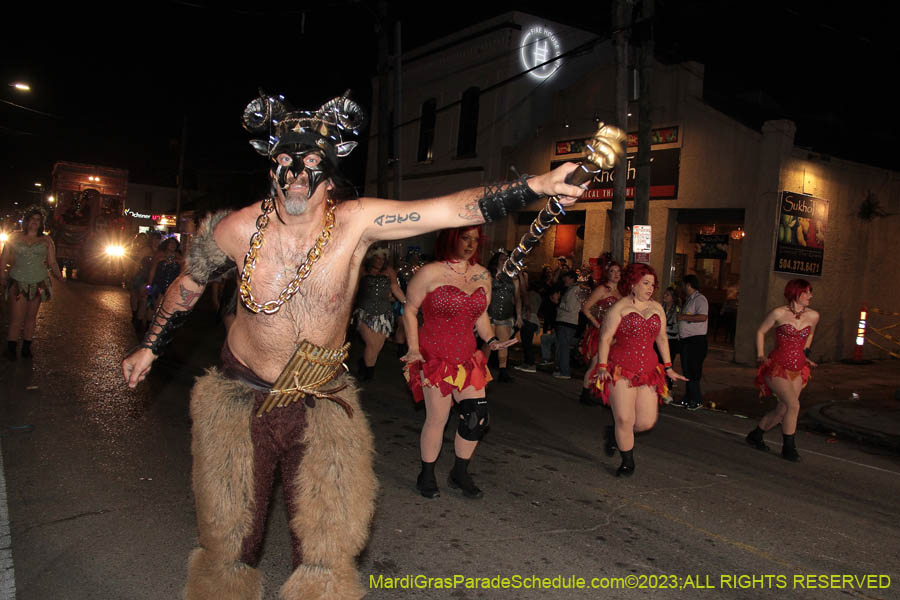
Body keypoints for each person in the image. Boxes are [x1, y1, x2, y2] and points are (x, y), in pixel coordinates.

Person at [120, 90, 588, 599]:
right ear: (271, 166)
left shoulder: (356, 222)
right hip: (240, 396)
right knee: (230, 542)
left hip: (322, 400)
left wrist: (538, 185)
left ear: (329, 170)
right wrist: (150, 346)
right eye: (285, 161)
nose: (297, 174)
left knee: (327, 551)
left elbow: (447, 210)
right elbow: (188, 284)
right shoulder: (236, 230)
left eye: (311, 163)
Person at [401, 226, 516, 500]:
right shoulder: (430, 272)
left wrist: (490, 340)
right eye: (465, 238)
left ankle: (459, 472)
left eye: (476, 239)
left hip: (466, 357)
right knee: (438, 418)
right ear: (452, 239)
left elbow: (481, 316)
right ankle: (426, 474)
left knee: (477, 417)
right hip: (434, 355)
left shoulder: (481, 275)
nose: (471, 244)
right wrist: (414, 348)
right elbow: (410, 308)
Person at [593, 263, 687, 476]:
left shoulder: (657, 308)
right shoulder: (619, 307)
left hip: (648, 371)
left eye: (652, 284)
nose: (650, 288)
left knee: (645, 422)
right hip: (621, 368)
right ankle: (627, 462)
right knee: (625, 419)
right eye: (645, 283)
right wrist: (601, 366)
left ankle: (614, 434)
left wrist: (669, 367)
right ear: (633, 284)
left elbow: (662, 338)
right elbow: (606, 338)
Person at [746, 279, 819, 462]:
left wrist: (806, 355)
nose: (810, 296)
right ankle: (789, 448)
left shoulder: (813, 316)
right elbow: (761, 331)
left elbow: (809, 334)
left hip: (798, 368)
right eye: (807, 292)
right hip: (778, 367)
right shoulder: (779, 313)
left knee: (783, 410)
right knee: (793, 405)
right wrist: (761, 354)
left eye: (810, 292)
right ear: (796, 293)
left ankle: (756, 435)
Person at [0, 206, 63, 360]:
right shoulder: (14, 237)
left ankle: (27, 347)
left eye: (38, 220)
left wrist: (60, 277)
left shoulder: (46, 240)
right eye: (32, 219)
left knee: (31, 317)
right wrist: (2, 276)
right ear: (26, 221)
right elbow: (4, 259)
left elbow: (52, 262)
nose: (34, 222)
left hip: (38, 282)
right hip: (18, 282)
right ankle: (11, 347)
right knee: (16, 317)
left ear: (42, 223)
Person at [353, 246, 405, 380]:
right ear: (371, 258)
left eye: (383, 259)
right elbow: (354, 289)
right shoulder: (362, 271)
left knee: (377, 347)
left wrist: (407, 302)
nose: (380, 261)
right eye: (377, 258)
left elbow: (395, 288)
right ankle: (368, 374)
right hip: (364, 312)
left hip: (384, 314)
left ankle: (364, 365)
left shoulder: (389, 271)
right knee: (372, 344)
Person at [578, 260, 621, 405]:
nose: (616, 274)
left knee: (611, 364)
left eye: (618, 271)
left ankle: (604, 394)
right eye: (612, 271)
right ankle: (585, 393)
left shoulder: (621, 292)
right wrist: (598, 325)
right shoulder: (602, 289)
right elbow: (586, 308)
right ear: (607, 274)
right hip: (602, 332)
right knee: (597, 362)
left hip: (616, 333)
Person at [483, 249, 521, 382]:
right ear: (496, 261)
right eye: (502, 259)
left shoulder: (513, 278)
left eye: (507, 259)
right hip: (490, 314)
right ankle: (482, 370)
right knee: (489, 343)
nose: (504, 261)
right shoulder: (489, 275)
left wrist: (519, 316)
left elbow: (517, 298)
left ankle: (503, 371)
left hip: (505, 314)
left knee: (504, 344)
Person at [674, 274, 708, 410]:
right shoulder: (689, 299)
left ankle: (696, 399)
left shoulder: (700, 299)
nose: (682, 287)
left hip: (696, 341)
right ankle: (688, 398)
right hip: (686, 341)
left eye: (683, 284)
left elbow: (703, 316)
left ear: (688, 285)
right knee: (687, 370)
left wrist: (683, 317)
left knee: (693, 371)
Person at [552, 270, 581, 379]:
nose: (564, 280)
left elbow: (571, 307)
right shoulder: (571, 289)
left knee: (564, 348)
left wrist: (558, 302)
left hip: (568, 322)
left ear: (572, 279)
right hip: (566, 321)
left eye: (566, 278)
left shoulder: (574, 290)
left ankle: (565, 371)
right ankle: (561, 369)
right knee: (561, 347)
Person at [147, 237, 184, 312]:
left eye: (175, 243)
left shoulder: (178, 255)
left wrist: (177, 261)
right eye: (171, 243)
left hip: (172, 284)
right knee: (155, 306)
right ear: (166, 244)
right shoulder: (160, 254)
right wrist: (149, 284)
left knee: (168, 307)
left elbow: (184, 266)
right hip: (159, 283)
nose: (173, 245)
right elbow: (152, 269)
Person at [514, 279, 543, 373]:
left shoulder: (529, 294)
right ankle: (527, 363)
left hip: (528, 320)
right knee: (527, 344)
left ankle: (530, 364)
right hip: (533, 321)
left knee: (527, 344)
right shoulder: (538, 296)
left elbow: (527, 306)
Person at [659, 286, 682, 397]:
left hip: (671, 341)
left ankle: (668, 390)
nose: (665, 296)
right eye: (665, 294)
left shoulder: (677, 309)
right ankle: (658, 387)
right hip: (659, 339)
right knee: (658, 364)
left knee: (668, 365)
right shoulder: (660, 307)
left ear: (673, 298)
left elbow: (677, 326)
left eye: (667, 295)